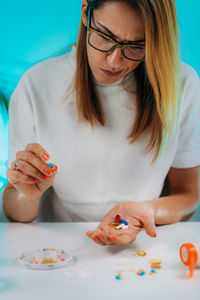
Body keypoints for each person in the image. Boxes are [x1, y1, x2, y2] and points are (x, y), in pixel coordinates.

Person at [3, 0, 200, 246]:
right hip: (60, 249)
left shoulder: (183, 84)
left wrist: (146, 211)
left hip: (144, 246)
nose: (114, 61)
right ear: (86, 12)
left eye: (137, 45)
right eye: (105, 36)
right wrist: (27, 194)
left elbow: (188, 196)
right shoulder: (36, 84)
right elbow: (15, 213)